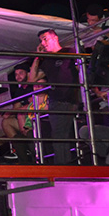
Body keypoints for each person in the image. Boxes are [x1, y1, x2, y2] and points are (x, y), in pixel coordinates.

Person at [30, 29, 80, 165]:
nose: (43, 43)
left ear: (55, 38)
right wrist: (37, 58)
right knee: (58, 135)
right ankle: (64, 165)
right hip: (54, 101)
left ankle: (63, 167)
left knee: (59, 135)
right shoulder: (47, 60)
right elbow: (32, 79)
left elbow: (81, 70)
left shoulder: (68, 52)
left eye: (45, 39)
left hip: (67, 98)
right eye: (41, 40)